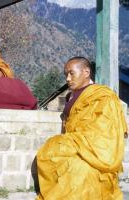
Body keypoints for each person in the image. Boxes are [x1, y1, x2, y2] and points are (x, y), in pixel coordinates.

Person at [35, 57, 128, 200]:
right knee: (47, 153)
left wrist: (74, 141)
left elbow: (104, 130)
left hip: (95, 151)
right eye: (66, 74)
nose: (67, 78)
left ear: (86, 72)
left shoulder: (103, 96)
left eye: (72, 73)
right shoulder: (69, 97)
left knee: (79, 171)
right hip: (75, 145)